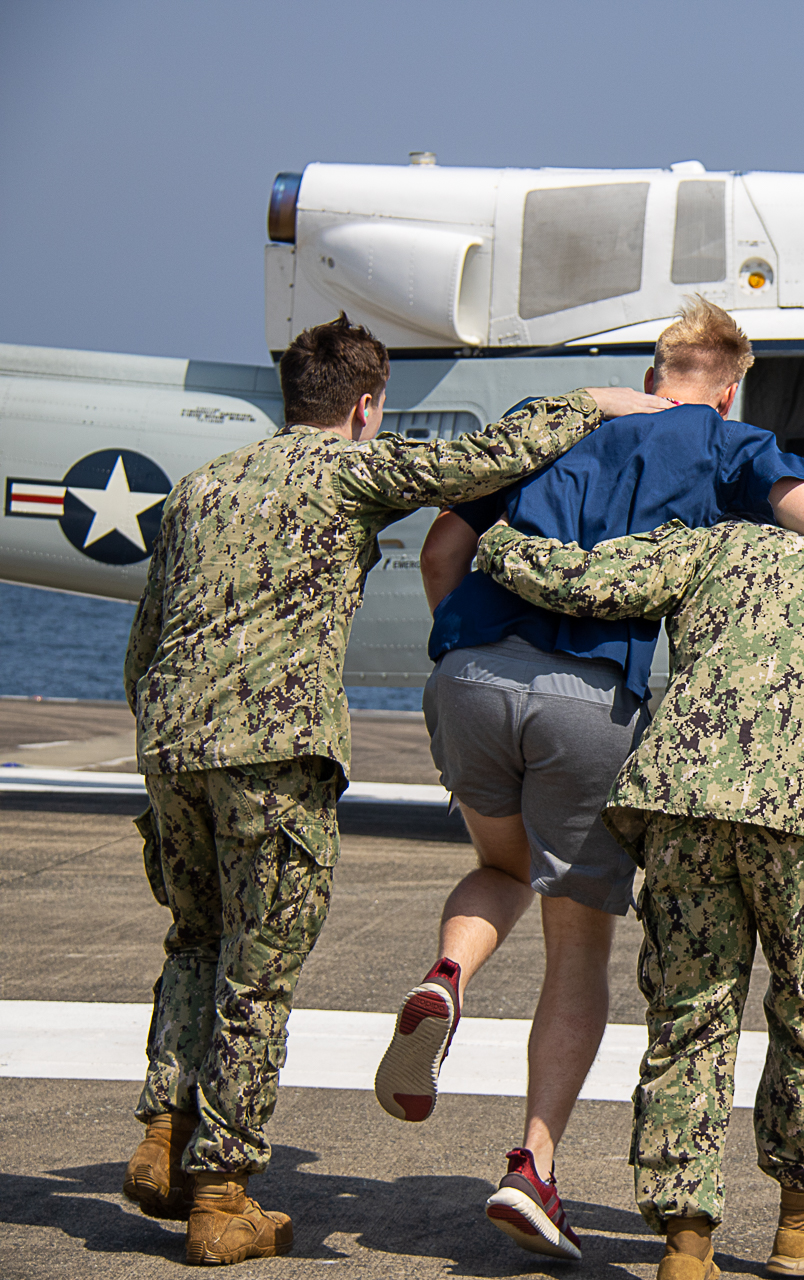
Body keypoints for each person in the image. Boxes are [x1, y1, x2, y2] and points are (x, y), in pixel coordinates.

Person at [119, 313, 654, 1266]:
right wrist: (596, 400)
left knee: (193, 940)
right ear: (365, 407)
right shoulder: (349, 471)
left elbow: (146, 634)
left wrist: (157, 745)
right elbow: (486, 460)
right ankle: (222, 1189)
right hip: (273, 753)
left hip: (171, 745)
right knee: (257, 970)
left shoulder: (202, 487)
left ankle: (163, 1137)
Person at [375, 299, 804, 1262]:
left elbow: (443, 550)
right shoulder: (728, 443)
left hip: (468, 677)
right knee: (578, 941)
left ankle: (447, 976)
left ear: (653, 370)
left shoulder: (555, 417)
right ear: (728, 387)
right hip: (588, 698)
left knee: (499, 866)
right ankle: (533, 1166)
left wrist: (460, 648)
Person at [472, 458, 804, 1280]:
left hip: (681, 804)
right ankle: (803, 1222)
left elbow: (586, 580)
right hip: (801, 819)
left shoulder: (714, 547)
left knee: (689, 1012)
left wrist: (493, 539)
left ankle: (685, 1245)